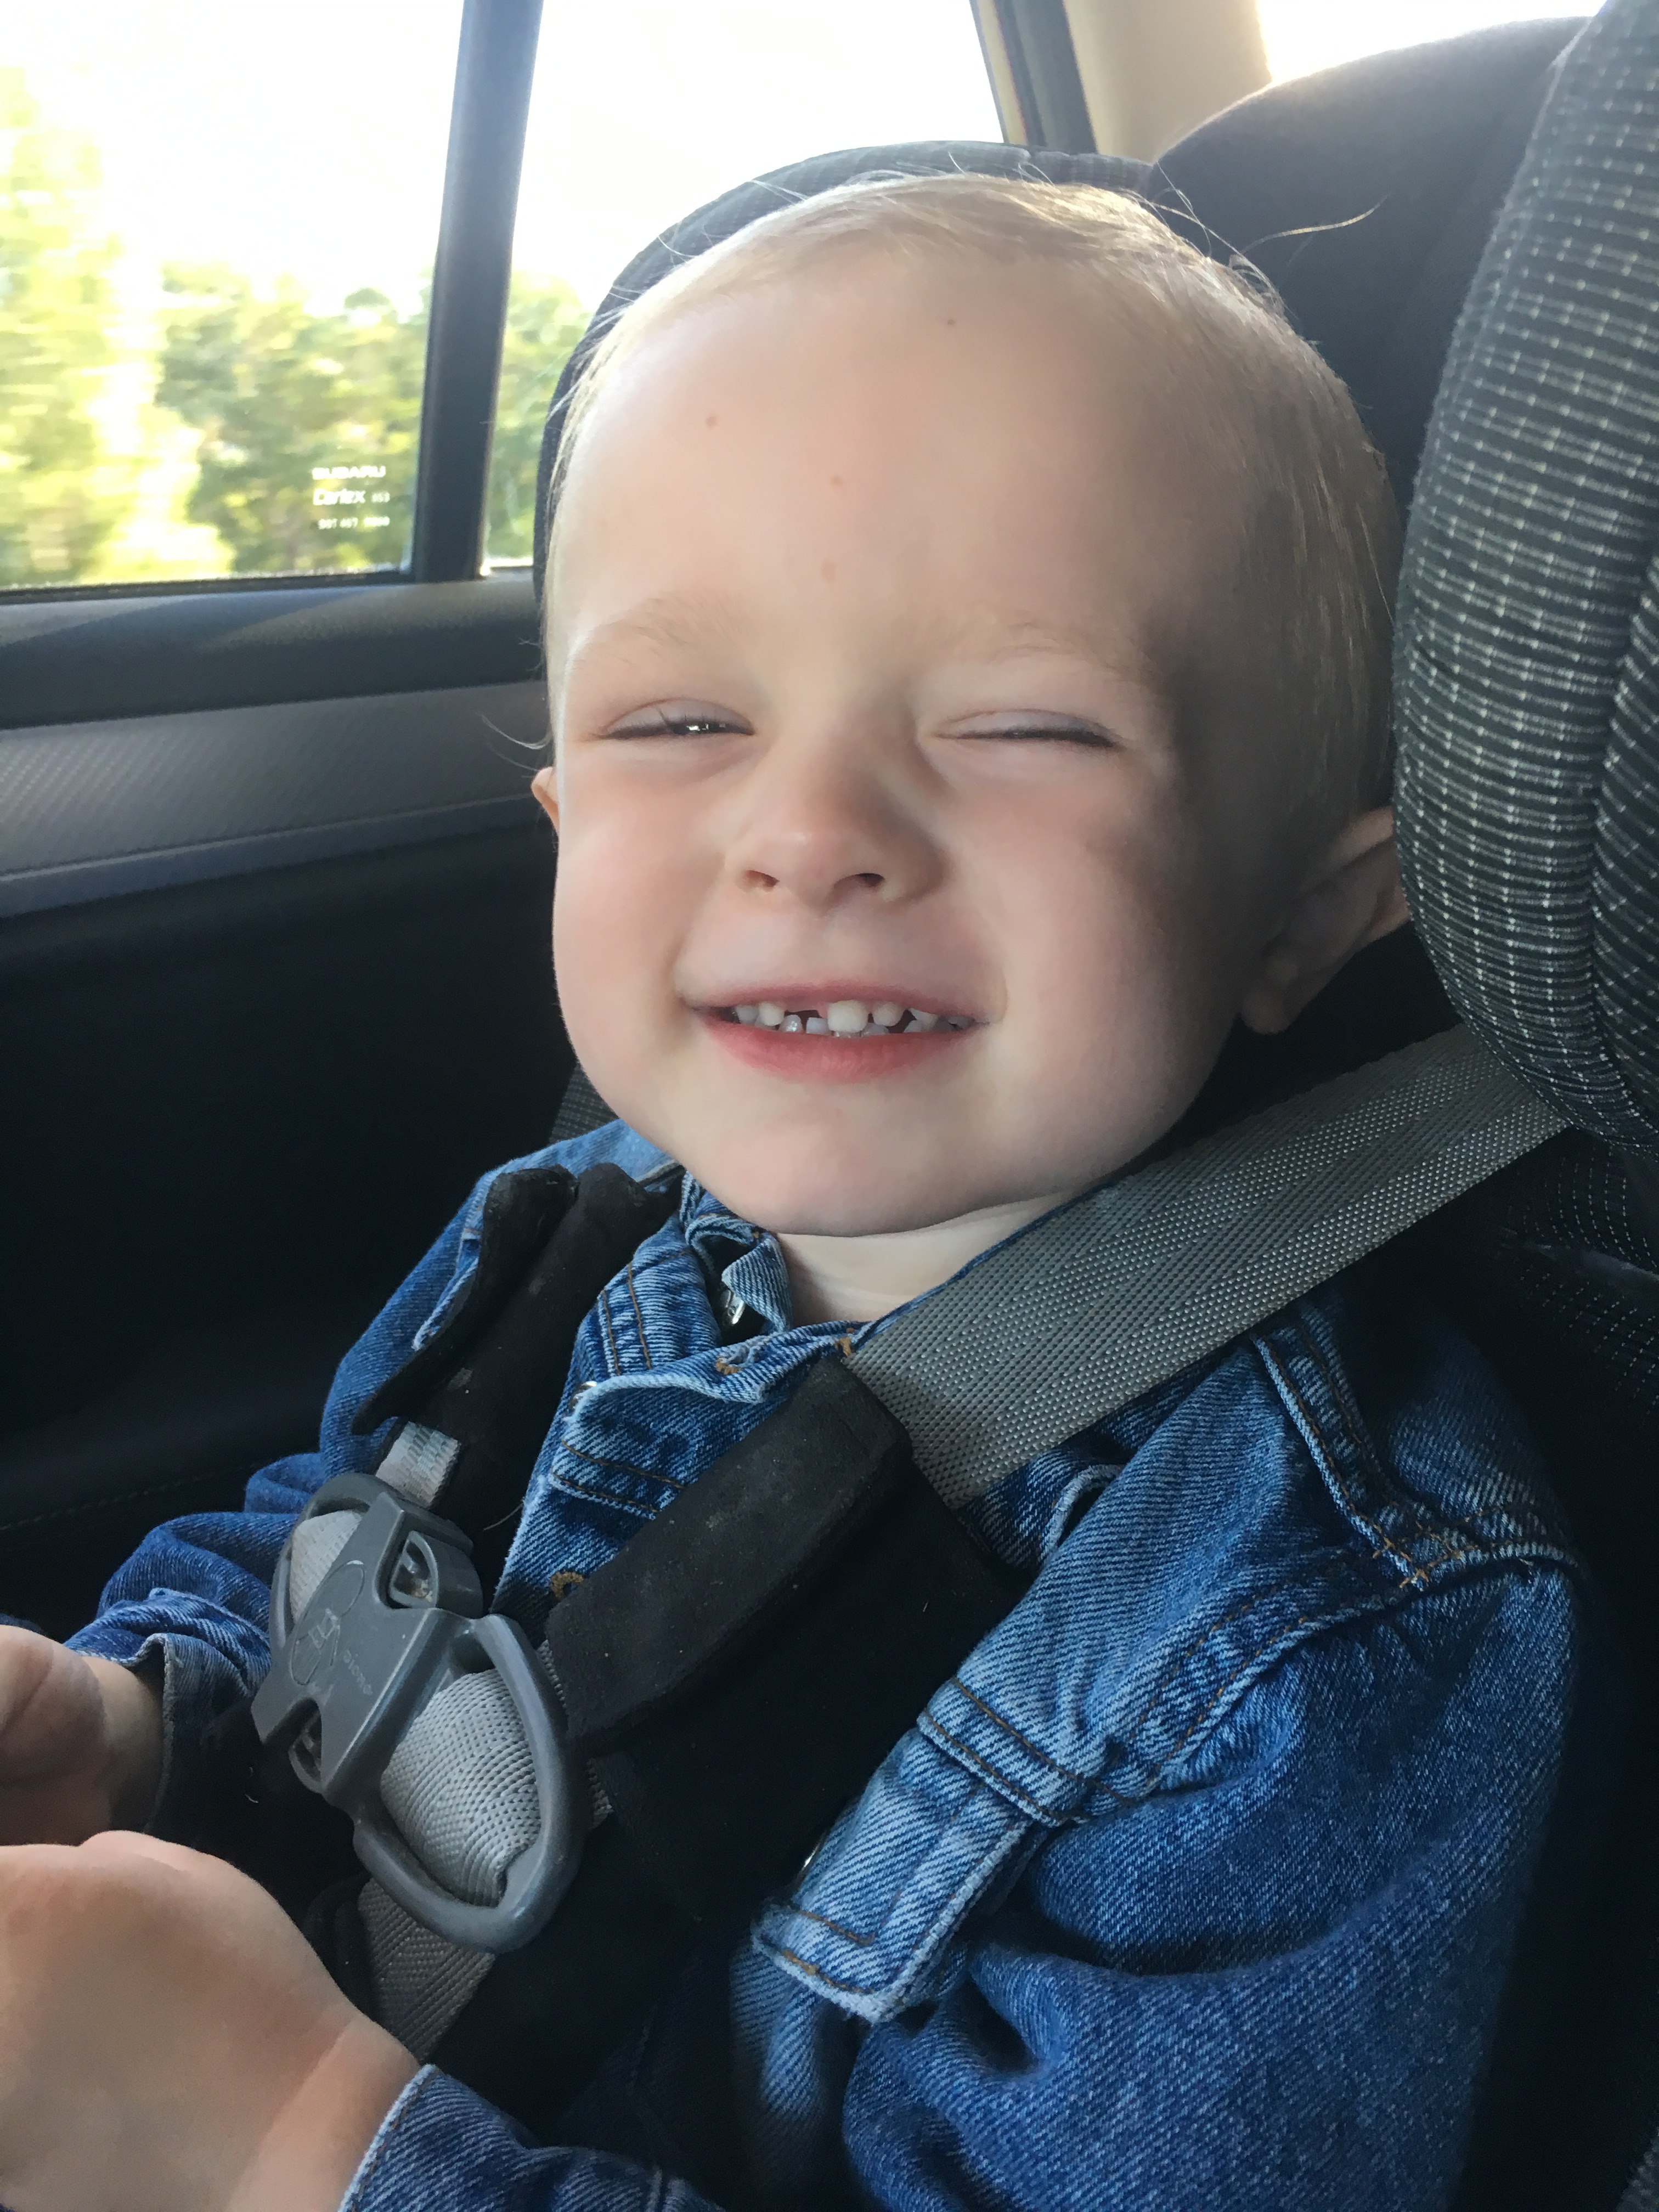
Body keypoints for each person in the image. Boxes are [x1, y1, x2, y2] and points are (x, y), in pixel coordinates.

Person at [0, 177, 1605, 2212]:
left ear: (1303, 910)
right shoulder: (565, 1226)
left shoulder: (1325, 1623)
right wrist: (135, 1731)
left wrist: (294, 2145)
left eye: (1028, 723)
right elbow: (329, 1564)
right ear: (563, 816)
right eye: (681, 721)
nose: (811, 828)